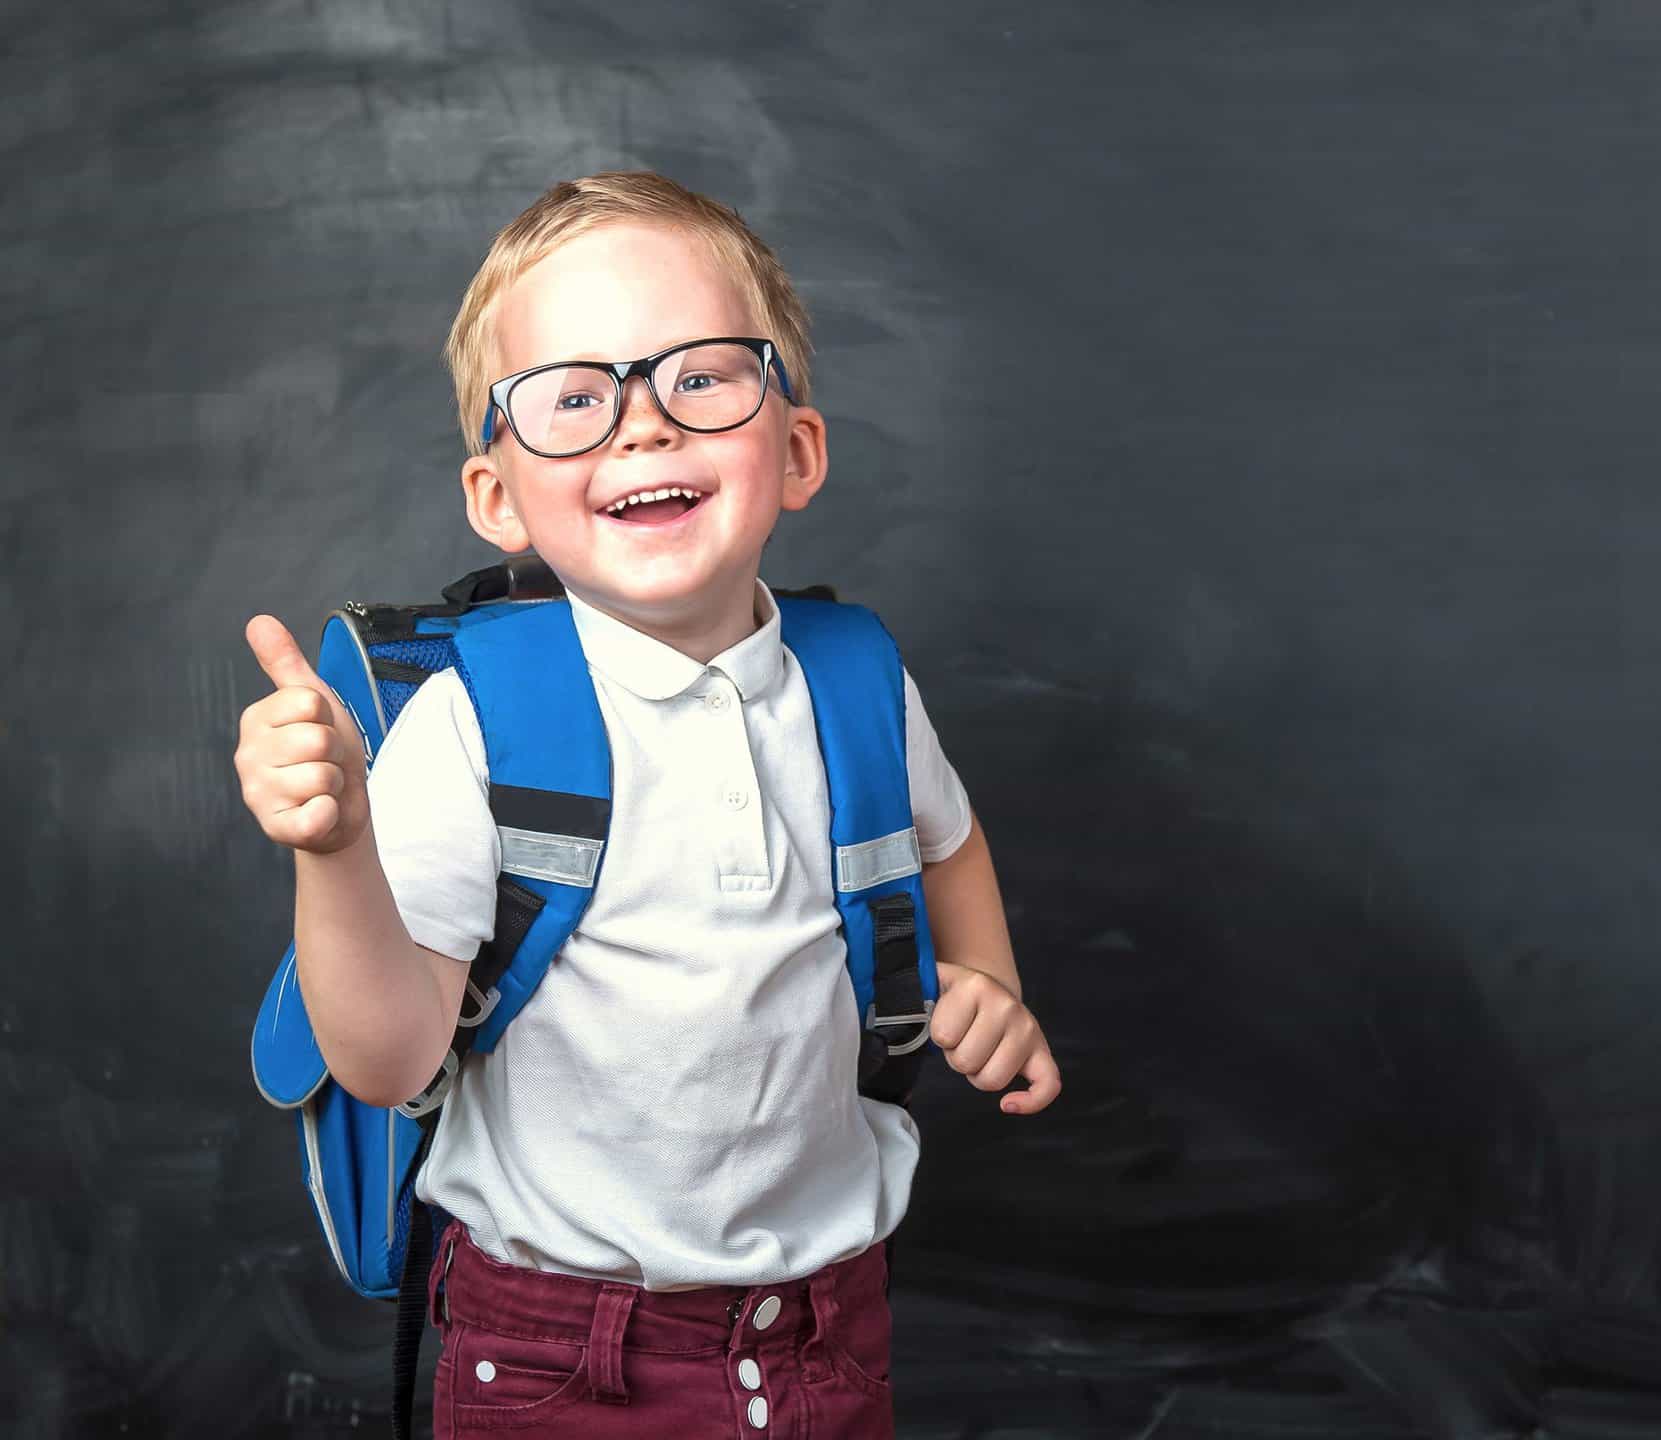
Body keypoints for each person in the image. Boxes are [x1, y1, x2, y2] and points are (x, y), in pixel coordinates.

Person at [232, 169, 1061, 1437]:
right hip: (561, 1352)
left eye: (701, 375)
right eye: (571, 397)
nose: (640, 426)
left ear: (796, 452)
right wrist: (336, 849)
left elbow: (946, 841)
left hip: (828, 1329)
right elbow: (390, 1058)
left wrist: (988, 981)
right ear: (498, 496)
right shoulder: (474, 724)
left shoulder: (859, 684)